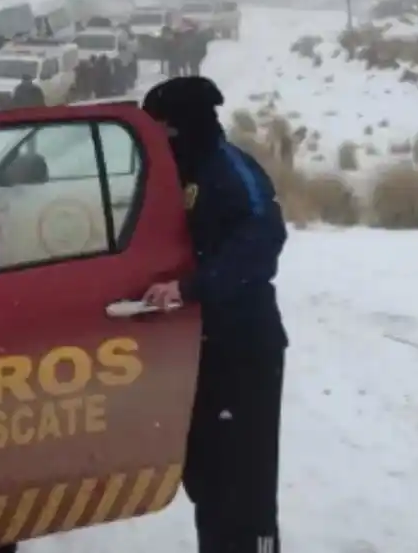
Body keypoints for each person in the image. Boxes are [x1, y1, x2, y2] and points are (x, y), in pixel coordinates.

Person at [139, 76, 288, 553]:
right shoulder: (181, 171)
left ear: (180, 126)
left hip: (244, 347)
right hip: (202, 347)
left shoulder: (229, 170)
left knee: (245, 488)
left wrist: (191, 287)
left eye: (158, 125)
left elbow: (263, 242)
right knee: (209, 480)